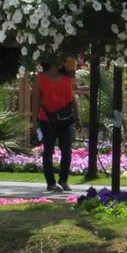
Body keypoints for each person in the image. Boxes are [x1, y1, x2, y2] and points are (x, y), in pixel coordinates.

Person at [36, 57, 78, 192]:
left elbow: (73, 101)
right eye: (60, 60)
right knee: (48, 150)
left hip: (66, 119)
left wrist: (78, 119)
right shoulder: (40, 78)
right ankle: (51, 183)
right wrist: (34, 121)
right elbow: (36, 101)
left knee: (67, 151)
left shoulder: (67, 79)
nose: (63, 62)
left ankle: (64, 181)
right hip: (47, 119)